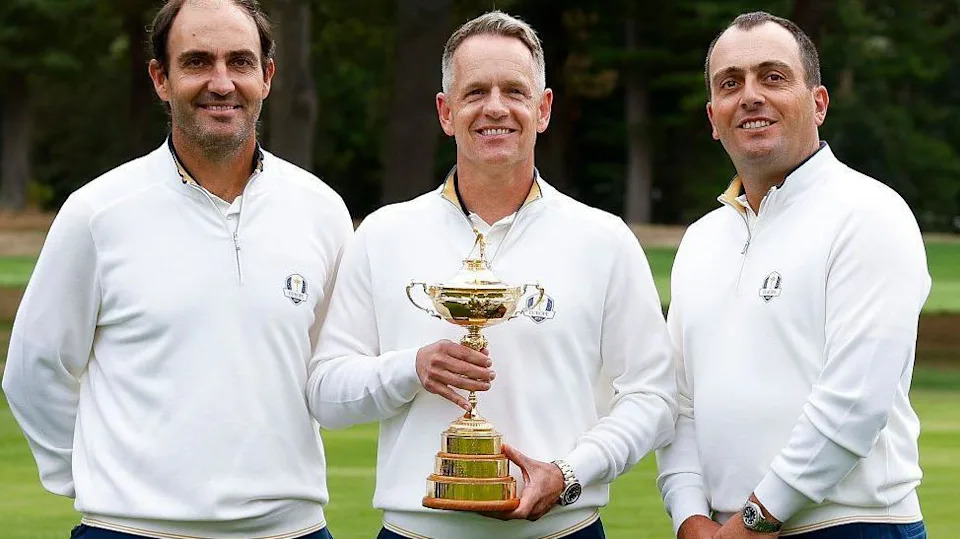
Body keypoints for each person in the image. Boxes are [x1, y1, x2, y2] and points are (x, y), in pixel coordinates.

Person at [306, 10, 677, 539]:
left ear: (543, 109)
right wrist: (412, 369)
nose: (495, 108)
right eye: (475, 91)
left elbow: (654, 398)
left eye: (515, 91)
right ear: (445, 110)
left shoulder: (605, 239)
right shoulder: (384, 234)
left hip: (563, 530)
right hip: (418, 532)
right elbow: (326, 393)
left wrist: (570, 473)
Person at [2, 1, 352, 537]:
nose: (221, 82)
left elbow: (336, 371)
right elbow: (35, 368)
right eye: (196, 62)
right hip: (128, 530)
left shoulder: (322, 211)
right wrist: (101, 481)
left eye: (240, 61)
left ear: (267, 76)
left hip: (293, 530)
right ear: (160, 78)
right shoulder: (98, 213)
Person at [656, 11, 930, 539]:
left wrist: (755, 519)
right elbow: (681, 402)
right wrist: (689, 515)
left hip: (851, 526)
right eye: (730, 83)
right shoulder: (701, 239)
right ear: (713, 117)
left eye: (773, 77)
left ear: (819, 103)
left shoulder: (869, 213)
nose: (751, 95)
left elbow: (853, 403)